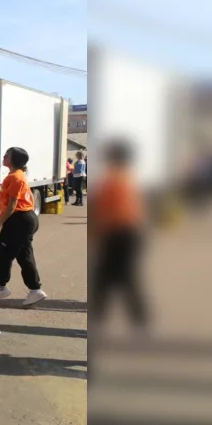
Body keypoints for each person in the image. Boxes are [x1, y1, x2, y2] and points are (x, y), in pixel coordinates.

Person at [90, 140, 146, 331]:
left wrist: (96, 235)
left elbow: (104, 211)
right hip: (127, 233)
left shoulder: (113, 179)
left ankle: (139, 321)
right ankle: (103, 318)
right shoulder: (128, 176)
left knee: (120, 278)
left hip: (119, 234)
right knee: (109, 278)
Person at [0, 147, 47, 306]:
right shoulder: (15, 175)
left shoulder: (16, 177)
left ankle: (1, 287)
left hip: (20, 219)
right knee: (23, 254)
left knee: (2, 252)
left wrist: (0, 223)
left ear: (14, 159)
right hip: (23, 219)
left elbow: (13, 204)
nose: (4, 156)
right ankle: (35, 290)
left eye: (7, 155)